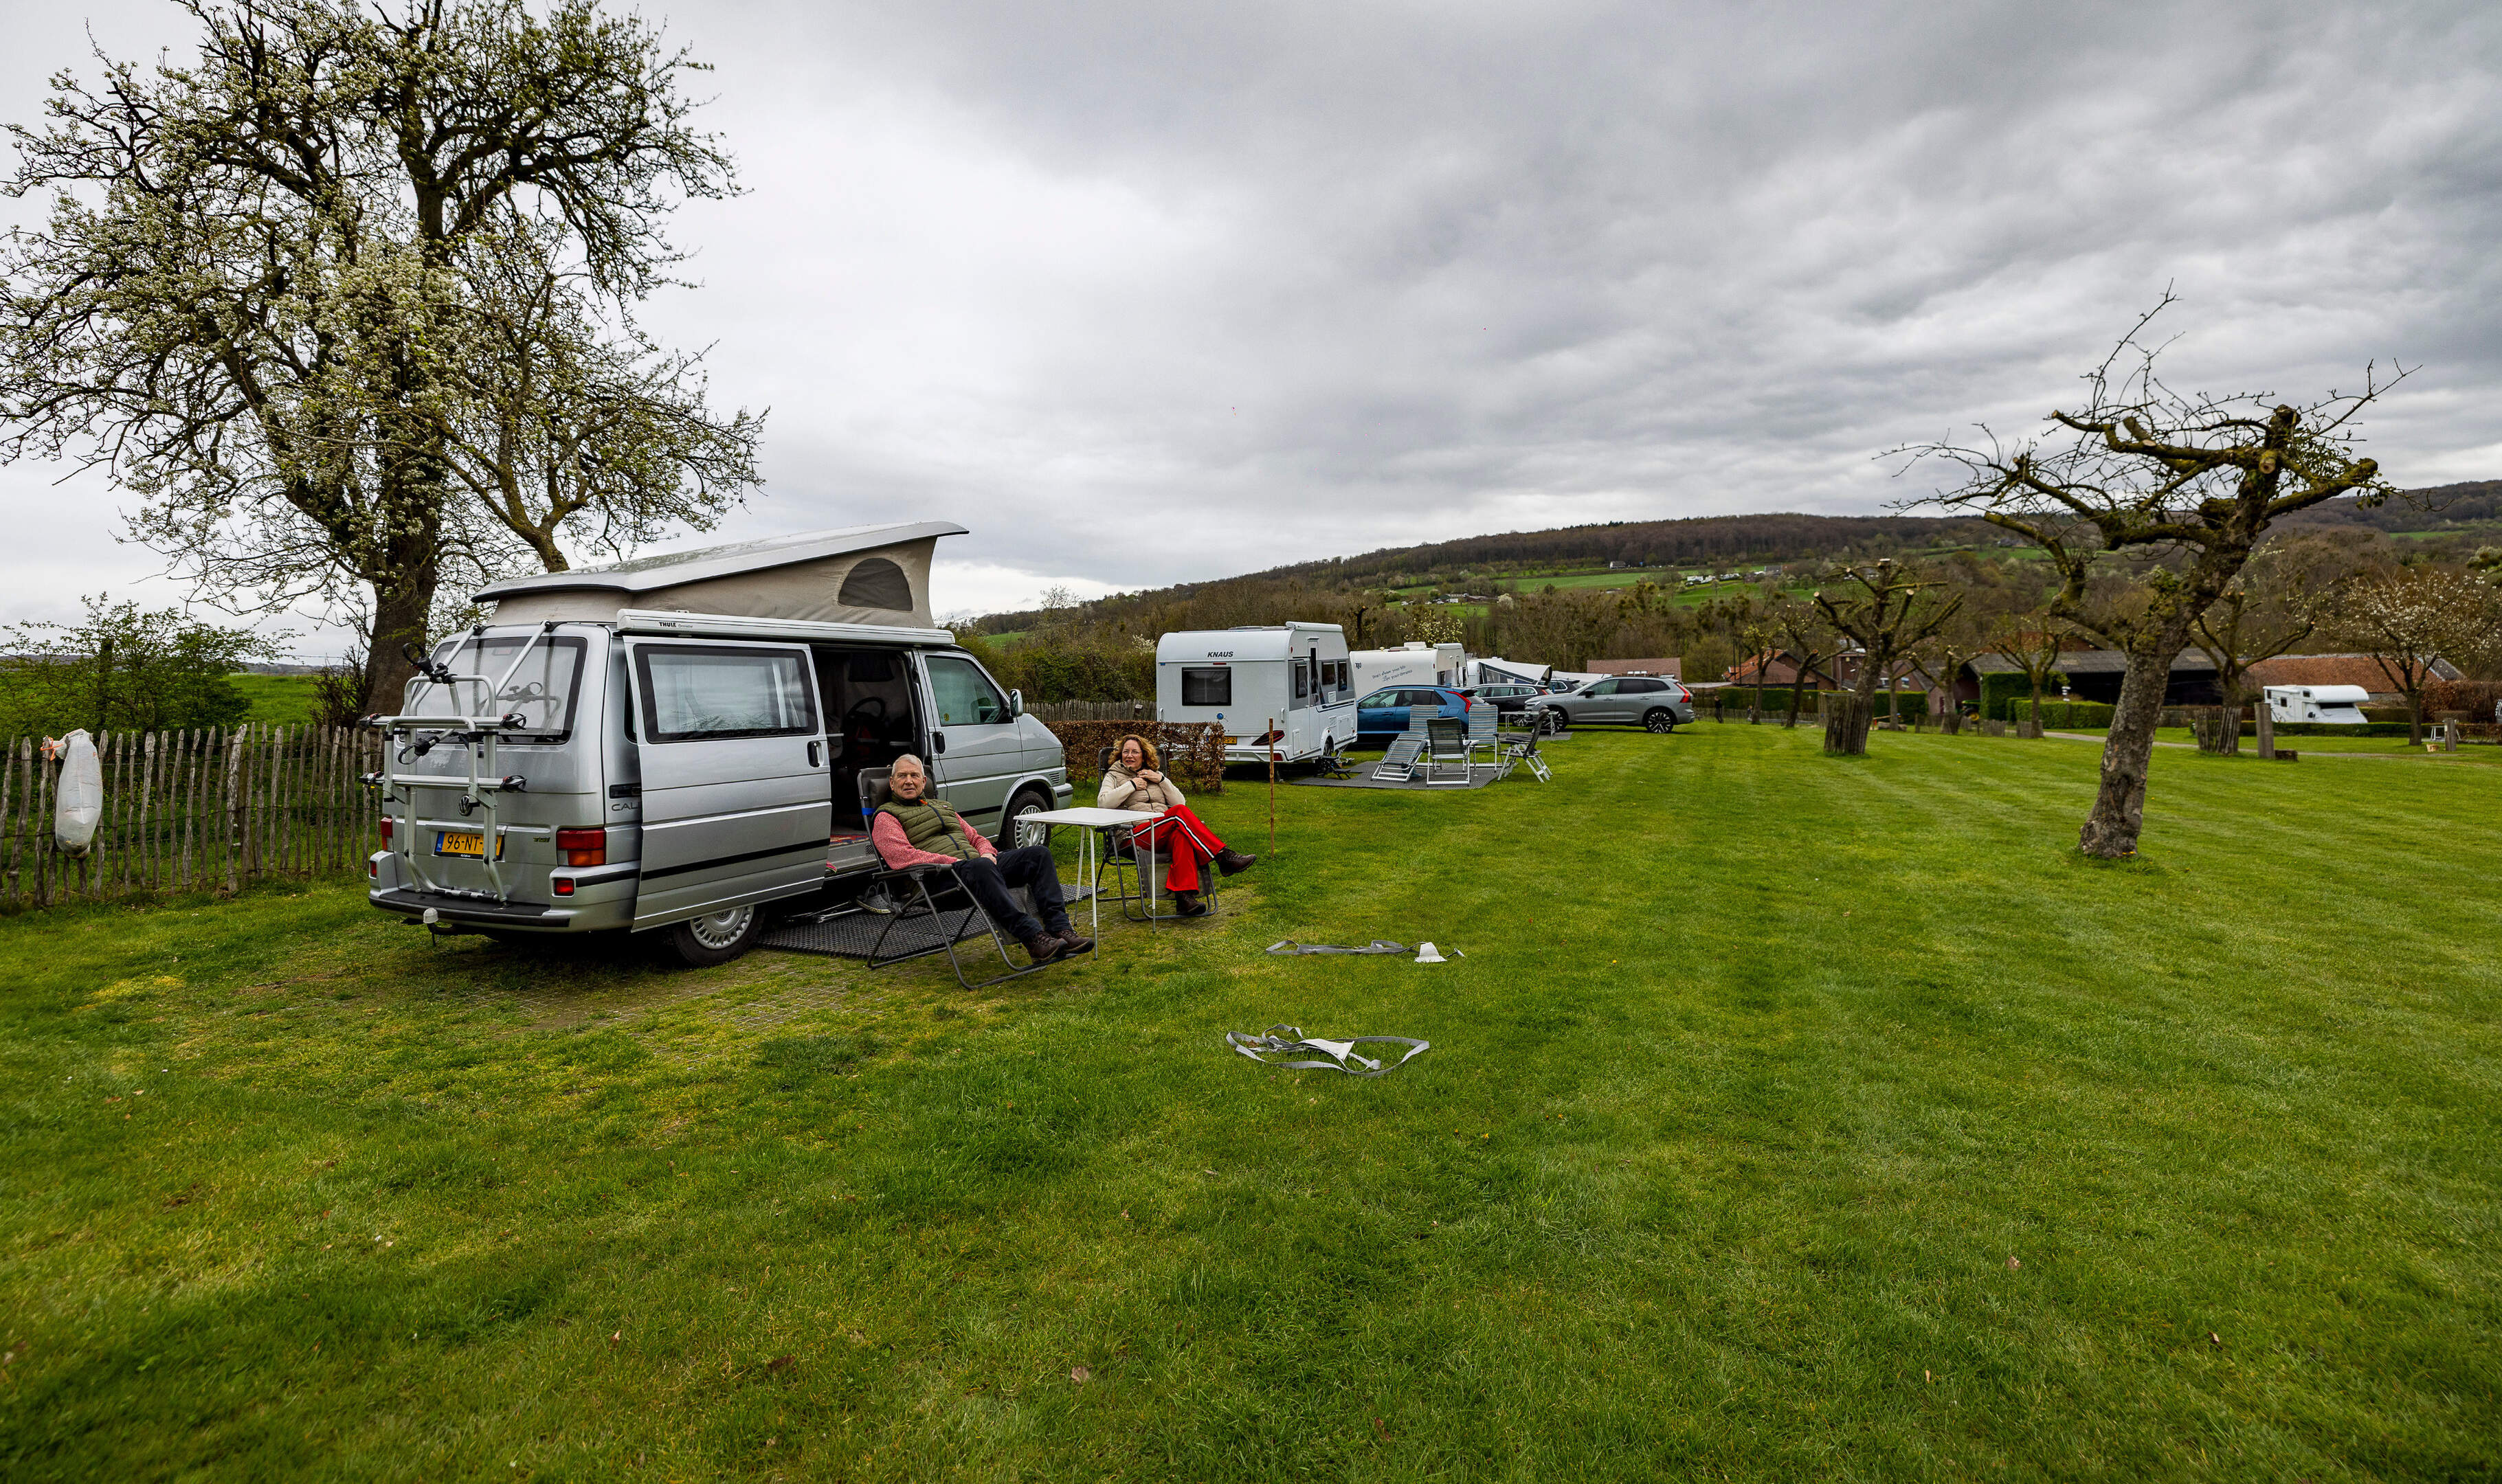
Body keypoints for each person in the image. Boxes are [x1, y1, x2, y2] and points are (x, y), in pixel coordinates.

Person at [869, 755, 1091, 965]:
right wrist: (953, 862)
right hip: (937, 881)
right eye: (902, 776)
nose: (909, 781)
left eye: (914, 775)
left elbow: (976, 837)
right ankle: (1033, 938)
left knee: (1039, 855)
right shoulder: (886, 816)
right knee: (982, 867)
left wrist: (987, 853)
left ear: (924, 781)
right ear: (891, 783)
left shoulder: (943, 807)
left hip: (979, 869)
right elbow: (902, 857)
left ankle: (1060, 928)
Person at [1098, 734, 1254, 916]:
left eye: (1135, 752)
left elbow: (1181, 801)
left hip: (1161, 832)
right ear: (1120, 755)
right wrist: (1131, 785)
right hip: (1133, 836)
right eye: (1126, 752)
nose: (1129, 755)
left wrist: (1162, 781)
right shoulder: (1114, 775)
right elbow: (1103, 803)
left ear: (1144, 755)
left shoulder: (1156, 776)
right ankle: (1223, 856)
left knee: (1182, 836)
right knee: (1178, 815)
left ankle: (1184, 899)